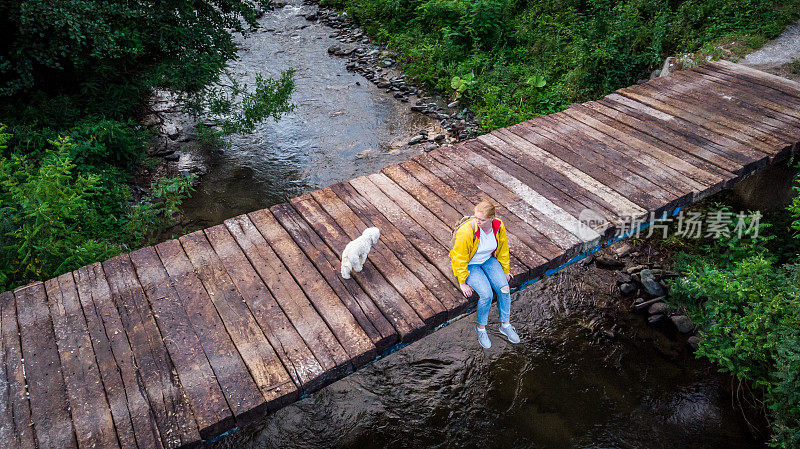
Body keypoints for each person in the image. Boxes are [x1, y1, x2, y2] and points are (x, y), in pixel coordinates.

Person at [449, 200, 520, 349]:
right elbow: (459, 258)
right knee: (486, 294)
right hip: (471, 264)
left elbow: (503, 249)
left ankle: (505, 325)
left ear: (491, 218)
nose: (477, 221)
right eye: (476, 218)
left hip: (488, 259)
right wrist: (462, 282)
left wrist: (505, 271)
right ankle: (481, 328)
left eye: (481, 219)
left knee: (504, 288)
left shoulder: (498, 226)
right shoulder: (467, 231)